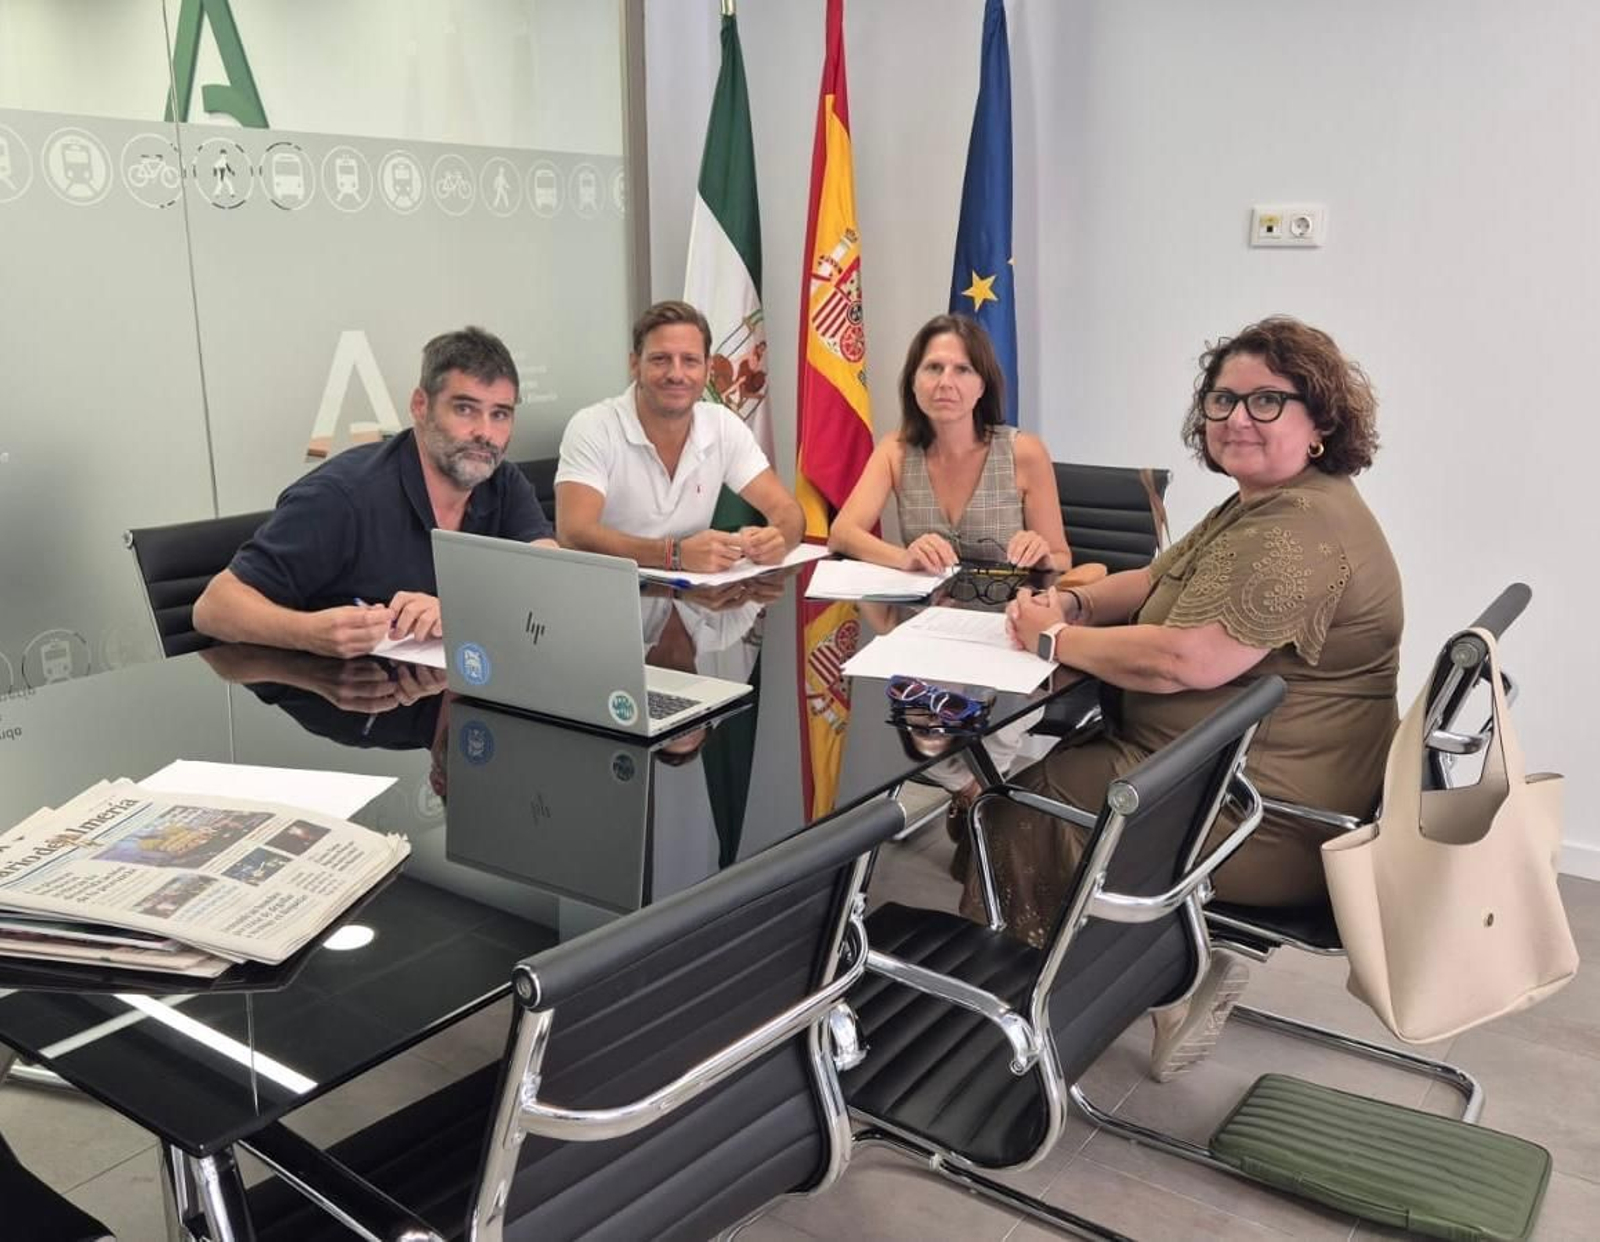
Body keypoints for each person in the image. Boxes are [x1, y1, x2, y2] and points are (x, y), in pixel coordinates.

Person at [990, 316, 1400, 1080]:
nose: (1238, 418)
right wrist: (1075, 609)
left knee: (1013, 808)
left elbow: (1188, 659)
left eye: (1268, 401)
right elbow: (1153, 581)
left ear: (1321, 423)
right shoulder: (1262, 503)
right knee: (1040, 776)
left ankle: (1045, 1013)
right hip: (1221, 770)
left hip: (1260, 814)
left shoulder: (1301, 530)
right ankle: (1161, 962)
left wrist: (1052, 642)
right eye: (1223, 400)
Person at [194, 326, 555, 657]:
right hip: (331, 702)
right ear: (420, 406)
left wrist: (461, 610)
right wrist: (308, 632)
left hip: (444, 699)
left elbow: (552, 579)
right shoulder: (341, 497)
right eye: (465, 409)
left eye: (500, 414)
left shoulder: (502, 482)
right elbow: (213, 608)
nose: (485, 432)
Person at [555, 300, 803, 573]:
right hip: (612, 601)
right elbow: (573, 534)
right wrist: (673, 554)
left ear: (708, 369)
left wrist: (779, 539)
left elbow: (788, 511)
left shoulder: (722, 425)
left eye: (690, 361)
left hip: (697, 604)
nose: (676, 374)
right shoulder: (593, 427)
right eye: (660, 359)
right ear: (635, 365)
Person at [828, 314, 1071, 573]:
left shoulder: (1024, 452)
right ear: (913, 382)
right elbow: (841, 534)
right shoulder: (894, 450)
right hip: (924, 610)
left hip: (1004, 610)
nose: (945, 382)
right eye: (933, 368)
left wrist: (1044, 559)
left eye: (963, 369)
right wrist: (904, 558)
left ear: (981, 387)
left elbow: (1062, 558)